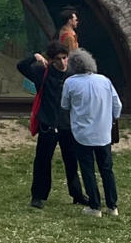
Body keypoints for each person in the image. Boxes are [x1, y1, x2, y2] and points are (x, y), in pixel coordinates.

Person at [17, 45, 86, 209]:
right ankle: (38, 195)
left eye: (65, 57)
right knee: (42, 161)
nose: (62, 62)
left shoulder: (73, 74)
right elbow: (21, 66)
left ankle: (76, 193)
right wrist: (35, 56)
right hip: (48, 124)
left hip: (67, 125)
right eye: (58, 59)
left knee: (71, 161)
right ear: (52, 60)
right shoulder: (43, 73)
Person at [61, 48, 123, 216]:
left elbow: (65, 105)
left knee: (88, 169)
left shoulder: (70, 83)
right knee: (106, 169)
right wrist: (110, 118)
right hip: (104, 132)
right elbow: (117, 105)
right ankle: (112, 205)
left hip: (83, 133)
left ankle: (94, 206)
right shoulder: (104, 80)